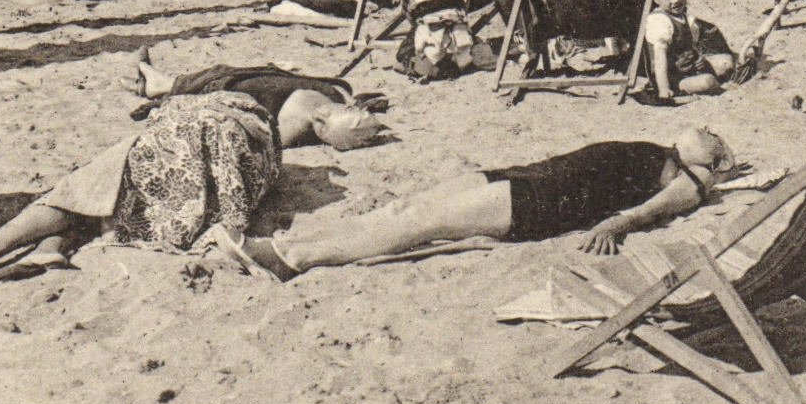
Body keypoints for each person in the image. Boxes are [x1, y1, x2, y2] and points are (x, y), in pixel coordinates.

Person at [0, 57, 386, 286]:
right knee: (119, 189)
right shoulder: (301, 98)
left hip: (201, 125)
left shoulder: (310, 98)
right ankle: (49, 252)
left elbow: (328, 126)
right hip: (225, 151)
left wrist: (350, 120)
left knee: (97, 179)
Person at [214, 127, 735, 278]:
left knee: (420, 222)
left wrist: (618, 222)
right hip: (522, 179)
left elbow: (667, 206)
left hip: (535, 203)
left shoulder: (692, 177)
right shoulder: (666, 152)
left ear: (714, 160)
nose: (709, 129)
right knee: (404, 211)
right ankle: (288, 244)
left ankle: (293, 259)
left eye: (715, 137)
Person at [640, 0, 734, 105]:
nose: (676, 0)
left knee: (726, 61)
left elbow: (692, 46)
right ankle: (689, 90)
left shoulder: (684, 18)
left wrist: (699, 59)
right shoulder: (659, 21)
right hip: (670, 78)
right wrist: (664, 90)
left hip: (687, 69)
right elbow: (659, 59)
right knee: (708, 81)